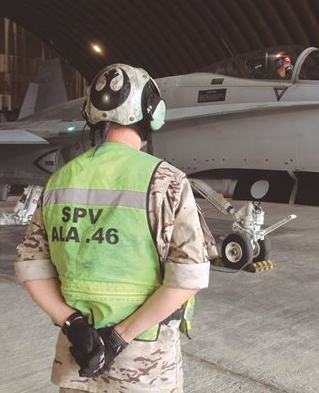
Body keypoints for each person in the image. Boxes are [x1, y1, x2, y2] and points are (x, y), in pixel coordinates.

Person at [14, 63, 216, 392]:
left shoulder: (59, 180)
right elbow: (189, 276)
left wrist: (73, 322)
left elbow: (30, 266)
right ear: (152, 113)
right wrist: (119, 337)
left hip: (78, 358)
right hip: (144, 366)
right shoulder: (166, 181)